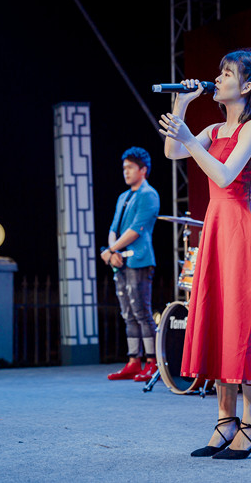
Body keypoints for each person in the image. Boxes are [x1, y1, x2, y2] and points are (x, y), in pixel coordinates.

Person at [158, 49, 251, 459]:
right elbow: (172, 152)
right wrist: (182, 104)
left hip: (240, 229)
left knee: (243, 324)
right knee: (220, 322)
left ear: (247, 85)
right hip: (217, 226)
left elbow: (224, 174)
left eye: (227, 73)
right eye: (220, 72)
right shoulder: (214, 129)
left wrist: (187, 138)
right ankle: (225, 421)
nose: (218, 79)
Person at [101, 147, 160, 382]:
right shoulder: (123, 197)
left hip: (139, 259)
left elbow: (136, 229)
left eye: (130, 167)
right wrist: (112, 252)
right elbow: (113, 228)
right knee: (127, 313)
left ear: (143, 170)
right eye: (124, 167)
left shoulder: (149, 194)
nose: (125, 171)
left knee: (142, 312)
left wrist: (111, 251)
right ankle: (133, 361)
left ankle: (152, 362)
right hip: (120, 261)